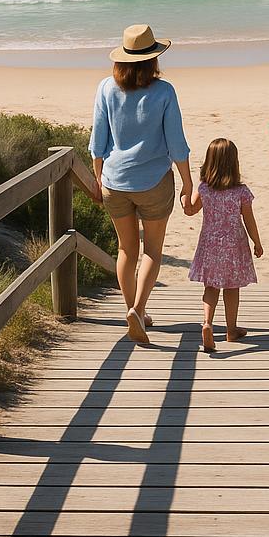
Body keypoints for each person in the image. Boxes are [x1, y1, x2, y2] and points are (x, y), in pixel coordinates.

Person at [89, 23, 193, 345]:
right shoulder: (164, 92)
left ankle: (132, 310)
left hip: (114, 182)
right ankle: (138, 309)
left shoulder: (106, 88)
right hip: (154, 183)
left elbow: (97, 142)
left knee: (125, 249)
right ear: (153, 59)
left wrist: (97, 178)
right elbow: (176, 144)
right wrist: (188, 183)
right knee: (152, 251)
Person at [185, 138, 263, 352]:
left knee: (210, 286)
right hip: (234, 245)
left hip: (209, 244)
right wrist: (257, 242)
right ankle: (231, 329)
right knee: (232, 287)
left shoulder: (204, 188)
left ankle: (207, 323)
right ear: (234, 163)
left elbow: (191, 210)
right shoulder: (241, 191)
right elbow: (249, 220)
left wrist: (184, 199)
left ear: (209, 162)